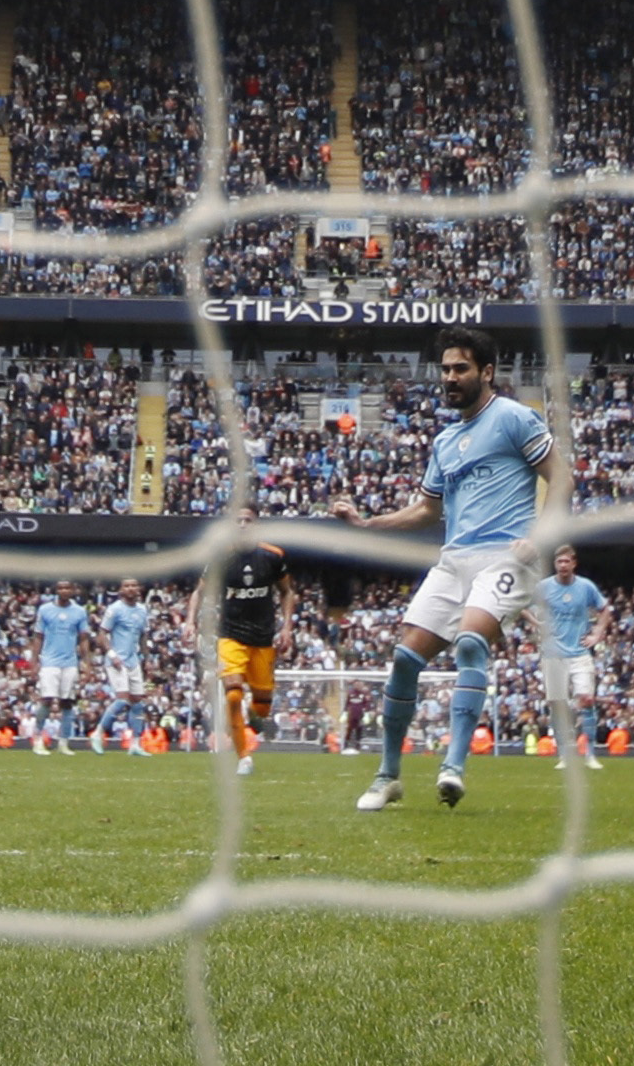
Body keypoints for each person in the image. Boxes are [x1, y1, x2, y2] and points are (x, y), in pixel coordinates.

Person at [330, 327, 551, 811]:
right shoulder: (446, 440)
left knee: (471, 641)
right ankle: (388, 776)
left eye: (461, 369)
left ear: (486, 372)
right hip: (454, 560)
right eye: (446, 369)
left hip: (507, 557)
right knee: (406, 659)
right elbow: (427, 510)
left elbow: (563, 477)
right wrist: (367, 522)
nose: (450, 378)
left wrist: (540, 537)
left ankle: (453, 766)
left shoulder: (516, 419)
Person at [206, 538, 287, 777]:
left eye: (248, 520)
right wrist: (190, 621)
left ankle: (251, 717)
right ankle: (244, 758)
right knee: (232, 694)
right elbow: (201, 589)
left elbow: (287, 591)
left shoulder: (273, 555)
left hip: (262, 638)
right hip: (230, 635)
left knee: (262, 707)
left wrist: (287, 628)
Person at [537, 545, 608, 771]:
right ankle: (565, 755)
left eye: (567, 562)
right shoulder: (544, 587)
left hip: (579, 653)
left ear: (574, 563)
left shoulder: (586, 587)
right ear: (555, 564)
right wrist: (535, 623)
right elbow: (522, 604)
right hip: (553, 654)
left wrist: (597, 633)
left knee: (586, 699)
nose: (563, 566)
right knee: (558, 704)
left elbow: (605, 609)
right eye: (560, 562)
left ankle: (589, 754)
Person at [96, 577, 153, 754]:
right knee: (122, 700)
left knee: (138, 703)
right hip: (117, 661)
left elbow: (143, 636)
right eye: (127, 586)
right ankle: (98, 734)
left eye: (134, 585)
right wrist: (112, 654)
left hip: (133, 660)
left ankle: (135, 744)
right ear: (121, 590)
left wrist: (147, 659)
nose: (131, 588)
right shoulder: (115, 609)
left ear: (139, 589)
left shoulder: (142, 610)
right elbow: (102, 634)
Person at [30, 583, 87, 755]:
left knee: (67, 702)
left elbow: (83, 638)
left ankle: (63, 742)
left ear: (73, 590)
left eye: (68, 588)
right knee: (46, 699)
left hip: (70, 661)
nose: (64, 591)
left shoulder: (79, 612)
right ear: (56, 590)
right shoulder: (45, 610)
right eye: (61, 588)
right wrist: (34, 661)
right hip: (49, 661)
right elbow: (38, 636)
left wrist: (87, 663)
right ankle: (38, 739)